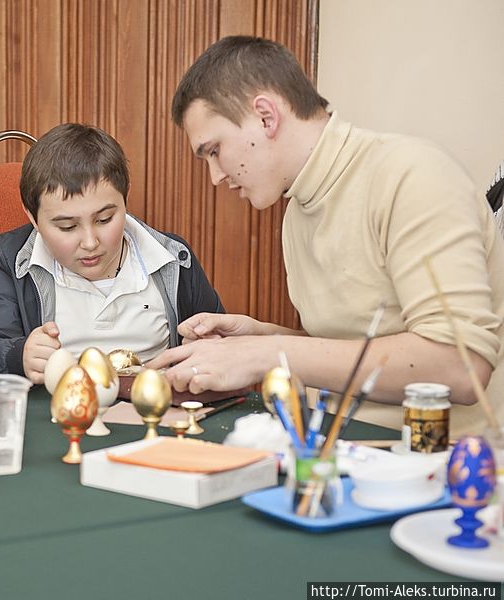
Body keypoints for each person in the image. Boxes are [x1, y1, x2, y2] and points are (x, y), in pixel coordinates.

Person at [149, 35, 504, 436]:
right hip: (342, 452)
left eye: (214, 151)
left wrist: (267, 353)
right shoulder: (297, 213)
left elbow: (459, 366)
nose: (215, 176)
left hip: (448, 465)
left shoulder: (411, 175)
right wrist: (260, 336)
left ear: (266, 116)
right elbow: (358, 345)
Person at [0, 123, 223, 382]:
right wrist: (19, 356)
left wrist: (206, 347)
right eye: (67, 226)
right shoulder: (9, 261)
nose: (90, 242)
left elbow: (219, 343)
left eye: (104, 219)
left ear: (125, 198)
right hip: (57, 414)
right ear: (32, 217)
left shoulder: (172, 259)